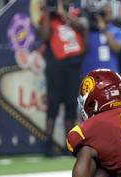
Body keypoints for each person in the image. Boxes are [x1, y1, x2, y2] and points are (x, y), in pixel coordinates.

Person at [39, 0, 86, 156]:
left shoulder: (76, 13)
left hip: (73, 64)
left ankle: (69, 144)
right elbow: (44, 36)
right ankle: (48, 144)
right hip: (55, 65)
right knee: (53, 103)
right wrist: (46, 12)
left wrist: (63, 13)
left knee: (71, 104)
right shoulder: (49, 16)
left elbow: (83, 27)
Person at [80, 3, 121, 76]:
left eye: (110, 12)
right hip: (89, 72)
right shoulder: (90, 31)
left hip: (110, 72)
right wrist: (87, 28)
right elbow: (83, 49)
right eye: (105, 12)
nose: (107, 14)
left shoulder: (116, 30)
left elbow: (117, 48)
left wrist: (104, 29)